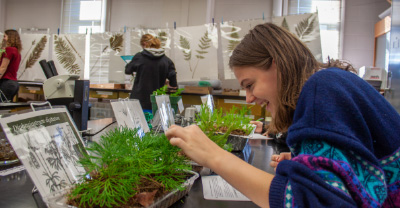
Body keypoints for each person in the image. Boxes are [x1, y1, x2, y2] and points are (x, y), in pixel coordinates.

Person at [165, 23, 400, 208]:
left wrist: (212, 155)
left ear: (277, 65)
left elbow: (317, 202)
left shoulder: (322, 87)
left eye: (250, 84)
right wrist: (308, 164)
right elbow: (350, 175)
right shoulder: (329, 82)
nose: (248, 99)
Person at [125, 34, 177, 111]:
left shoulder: (139, 57)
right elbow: (173, 81)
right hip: (156, 101)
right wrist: (168, 83)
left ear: (144, 44)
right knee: (155, 122)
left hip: (139, 100)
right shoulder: (166, 60)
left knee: (138, 122)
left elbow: (127, 70)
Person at [0, 29, 22, 102]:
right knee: (6, 108)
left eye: (5, 36)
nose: (3, 38)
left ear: (10, 37)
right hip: (14, 84)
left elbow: (3, 67)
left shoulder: (9, 50)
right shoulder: (17, 51)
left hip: (6, 83)